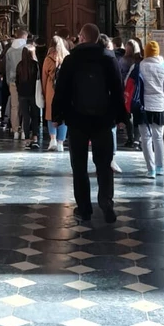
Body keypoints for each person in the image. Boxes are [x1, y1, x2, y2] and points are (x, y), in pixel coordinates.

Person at [51, 22, 126, 223]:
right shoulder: (108, 58)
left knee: (79, 166)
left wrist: (57, 115)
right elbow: (117, 90)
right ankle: (106, 202)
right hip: (103, 119)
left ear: (82, 38)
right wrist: (121, 117)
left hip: (77, 120)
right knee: (104, 165)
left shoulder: (72, 59)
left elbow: (62, 90)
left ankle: (84, 209)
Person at [138, 40, 164, 177]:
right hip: (159, 106)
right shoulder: (163, 68)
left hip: (143, 106)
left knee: (146, 138)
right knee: (158, 138)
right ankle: (160, 167)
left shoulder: (140, 66)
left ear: (146, 52)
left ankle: (151, 169)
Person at [99, 34, 123, 173]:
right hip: (107, 103)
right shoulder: (110, 60)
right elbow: (117, 86)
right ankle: (110, 160)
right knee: (110, 131)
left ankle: (105, 161)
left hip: (98, 103)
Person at [42, 34, 69, 151]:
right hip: (65, 89)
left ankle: (52, 139)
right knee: (64, 115)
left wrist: (44, 92)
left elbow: (44, 77)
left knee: (50, 114)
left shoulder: (48, 59)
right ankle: (60, 143)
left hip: (51, 89)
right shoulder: (67, 57)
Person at [4, 26, 28, 140]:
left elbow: (7, 68)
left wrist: (8, 81)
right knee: (25, 106)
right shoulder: (27, 49)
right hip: (26, 80)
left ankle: (15, 131)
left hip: (13, 81)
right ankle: (24, 130)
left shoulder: (9, 50)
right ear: (24, 36)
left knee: (14, 106)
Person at [16, 45, 40, 147]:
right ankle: (35, 135)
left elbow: (17, 80)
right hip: (33, 93)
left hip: (22, 93)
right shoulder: (35, 65)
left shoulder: (19, 65)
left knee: (26, 116)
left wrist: (19, 90)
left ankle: (26, 137)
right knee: (35, 115)